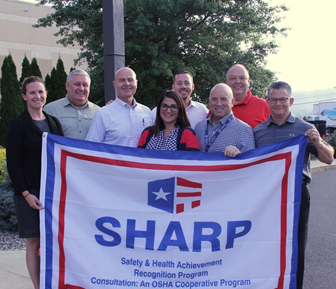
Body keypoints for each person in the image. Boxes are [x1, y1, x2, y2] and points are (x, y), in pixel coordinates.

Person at [253, 81, 334, 289]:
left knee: (295, 246)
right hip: (266, 196)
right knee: (264, 244)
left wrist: (317, 142)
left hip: (296, 196)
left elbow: (328, 159)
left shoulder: (305, 129)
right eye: (274, 99)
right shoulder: (258, 131)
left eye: (283, 99)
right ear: (268, 101)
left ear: (291, 101)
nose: (278, 103)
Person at [6, 76, 64, 289]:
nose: (37, 96)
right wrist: (26, 194)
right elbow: (13, 163)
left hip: (52, 191)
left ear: (46, 94)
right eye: (32, 92)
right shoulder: (18, 125)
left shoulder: (53, 123)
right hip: (29, 192)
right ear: (24, 97)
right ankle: (38, 286)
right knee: (34, 242)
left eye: (40, 92)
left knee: (50, 241)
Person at [85, 67, 152, 147]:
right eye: (122, 80)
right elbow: (91, 147)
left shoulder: (147, 112)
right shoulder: (102, 114)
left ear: (136, 83)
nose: (127, 84)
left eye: (130, 80)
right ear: (115, 84)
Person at [194, 83, 255, 156]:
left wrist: (239, 155)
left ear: (232, 102)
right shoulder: (199, 127)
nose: (219, 104)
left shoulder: (244, 130)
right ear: (209, 101)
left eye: (224, 99)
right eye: (214, 99)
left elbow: (249, 162)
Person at [43, 69, 100, 139]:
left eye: (85, 85)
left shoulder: (98, 112)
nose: (81, 88)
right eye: (77, 84)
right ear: (67, 86)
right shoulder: (50, 110)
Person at [226, 64, 270, 128]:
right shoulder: (217, 106)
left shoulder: (264, 106)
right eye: (233, 78)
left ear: (248, 81)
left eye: (242, 78)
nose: (238, 81)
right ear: (227, 81)